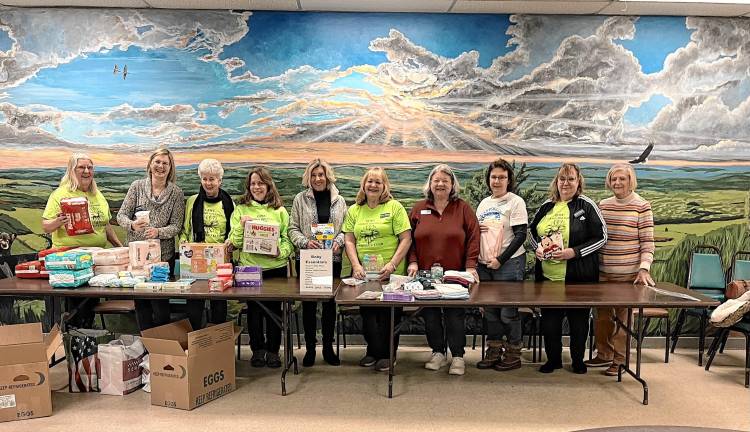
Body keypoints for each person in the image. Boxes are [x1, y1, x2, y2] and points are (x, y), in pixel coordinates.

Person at [529, 163, 607, 374]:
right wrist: (537, 249)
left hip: (579, 278)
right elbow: (531, 232)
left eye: (571, 179)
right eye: (562, 179)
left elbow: (601, 237)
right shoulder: (546, 206)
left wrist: (575, 252)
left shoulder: (587, 205)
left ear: (578, 182)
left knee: (579, 323)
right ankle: (553, 360)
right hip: (548, 277)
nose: (566, 183)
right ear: (556, 182)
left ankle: (577, 360)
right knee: (550, 323)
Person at [406, 164, 480, 376]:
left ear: (452, 185)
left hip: (455, 273)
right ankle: (438, 352)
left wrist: (470, 266)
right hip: (426, 274)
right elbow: (409, 239)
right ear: (430, 184)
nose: (440, 184)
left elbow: (474, 237)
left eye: (445, 181)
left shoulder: (463, 208)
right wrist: (412, 261)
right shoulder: (419, 208)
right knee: (430, 314)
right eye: (436, 180)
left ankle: (457, 356)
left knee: (454, 314)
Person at [585, 163, 655, 376]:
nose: (617, 183)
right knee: (602, 318)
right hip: (603, 273)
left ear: (630, 181)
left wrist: (644, 269)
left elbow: (648, 242)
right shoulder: (603, 205)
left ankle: (620, 360)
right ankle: (604, 354)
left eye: (622, 179)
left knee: (624, 321)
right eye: (614, 179)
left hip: (629, 276)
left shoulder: (642, 206)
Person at [42, 153, 123, 328]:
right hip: (71, 261)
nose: (86, 171)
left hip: (96, 259)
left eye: (90, 167)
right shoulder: (60, 194)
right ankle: (75, 341)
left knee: (90, 306)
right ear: (72, 170)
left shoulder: (98, 195)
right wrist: (58, 221)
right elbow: (46, 226)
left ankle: (87, 340)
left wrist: (119, 246)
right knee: (77, 308)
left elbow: (106, 225)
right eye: (81, 167)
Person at [343, 167, 411, 372]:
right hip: (364, 274)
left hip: (390, 274)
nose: (373, 185)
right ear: (363, 185)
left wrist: (391, 265)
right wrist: (355, 265)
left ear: (384, 186)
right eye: (369, 181)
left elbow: (406, 238)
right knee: (368, 315)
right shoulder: (354, 210)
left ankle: (388, 355)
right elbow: (349, 239)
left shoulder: (395, 207)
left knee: (389, 315)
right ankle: (373, 351)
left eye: (378, 182)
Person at [229, 167, 293, 369]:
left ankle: (273, 352)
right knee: (255, 311)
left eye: (260, 183)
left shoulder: (280, 211)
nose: (256, 187)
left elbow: (288, 243)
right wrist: (241, 224)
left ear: (268, 185)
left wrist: (278, 252)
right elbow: (234, 242)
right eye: (253, 184)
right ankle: (257, 350)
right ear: (249, 187)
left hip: (276, 269)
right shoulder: (241, 209)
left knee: (274, 310)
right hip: (250, 269)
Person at [117, 148, 185, 331]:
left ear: (170, 168)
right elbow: (121, 215)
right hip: (137, 257)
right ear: (150, 165)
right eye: (157, 162)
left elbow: (177, 226)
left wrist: (158, 232)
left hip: (162, 257)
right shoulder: (136, 187)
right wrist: (132, 225)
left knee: (160, 305)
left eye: (165, 163)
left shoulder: (176, 193)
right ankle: (147, 347)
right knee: (142, 304)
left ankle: (162, 346)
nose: (161, 166)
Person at [288, 159, 347, 367]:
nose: (317, 179)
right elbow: (291, 228)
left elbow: (346, 230)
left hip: (332, 259)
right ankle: (311, 349)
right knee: (309, 305)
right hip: (308, 259)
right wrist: (304, 242)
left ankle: (328, 348)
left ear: (327, 176)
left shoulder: (339, 201)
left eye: (321, 175)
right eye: (313, 175)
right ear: (308, 178)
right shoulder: (299, 199)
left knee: (330, 305)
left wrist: (339, 242)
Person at [474, 158, 528, 371]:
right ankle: (494, 349)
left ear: (509, 180)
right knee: (490, 312)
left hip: (509, 264)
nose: (497, 181)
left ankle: (513, 352)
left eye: (502, 177)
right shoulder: (484, 203)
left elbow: (520, 235)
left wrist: (501, 260)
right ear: (488, 179)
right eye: (494, 177)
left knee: (508, 312)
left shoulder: (515, 202)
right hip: (484, 265)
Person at [180, 159, 235, 330]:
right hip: (195, 264)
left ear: (220, 180)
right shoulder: (192, 201)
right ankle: (196, 344)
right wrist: (183, 241)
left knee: (219, 307)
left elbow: (234, 230)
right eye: (204, 179)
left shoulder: (229, 202)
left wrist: (231, 242)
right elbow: (184, 229)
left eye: (212, 179)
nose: (208, 183)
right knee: (194, 308)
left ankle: (216, 345)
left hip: (221, 266)